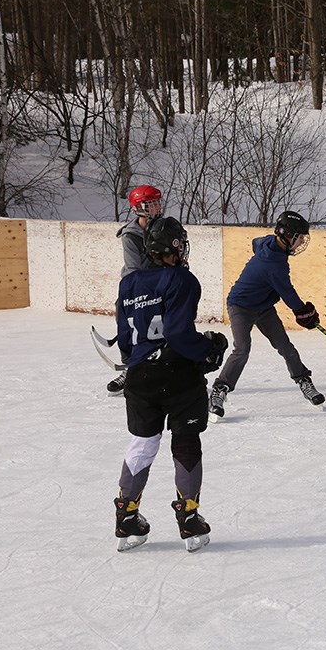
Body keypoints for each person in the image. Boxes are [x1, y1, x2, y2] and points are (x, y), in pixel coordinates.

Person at [113, 216, 229, 552]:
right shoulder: (181, 279)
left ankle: (127, 515)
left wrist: (137, 360)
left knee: (142, 444)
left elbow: (125, 341)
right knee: (186, 440)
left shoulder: (128, 284)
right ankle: (189, 519)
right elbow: (178, 334)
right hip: (176, 373)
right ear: (171, 247)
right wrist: (208, 348)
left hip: (139, 375)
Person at [208, 211, 323, 421]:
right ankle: (219, 390)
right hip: (240, 307)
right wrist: (303, 312)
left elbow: (256, 242)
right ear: (287, 236)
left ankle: (303, 380)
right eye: (299, 238)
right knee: (242, 349)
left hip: (264, 308)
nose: (301, 243)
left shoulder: (270, 243)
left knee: (285, 346)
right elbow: (287, 292)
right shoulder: (274, 265)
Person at [107, 185, 163, 396]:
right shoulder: (131, 236)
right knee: (128, 321)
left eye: (157, 202)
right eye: (150, 204)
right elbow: (134, 272)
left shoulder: (165, 227)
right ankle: (130, 367)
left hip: (161, 286)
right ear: (138, 208)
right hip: (137, 288)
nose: (156, 207)